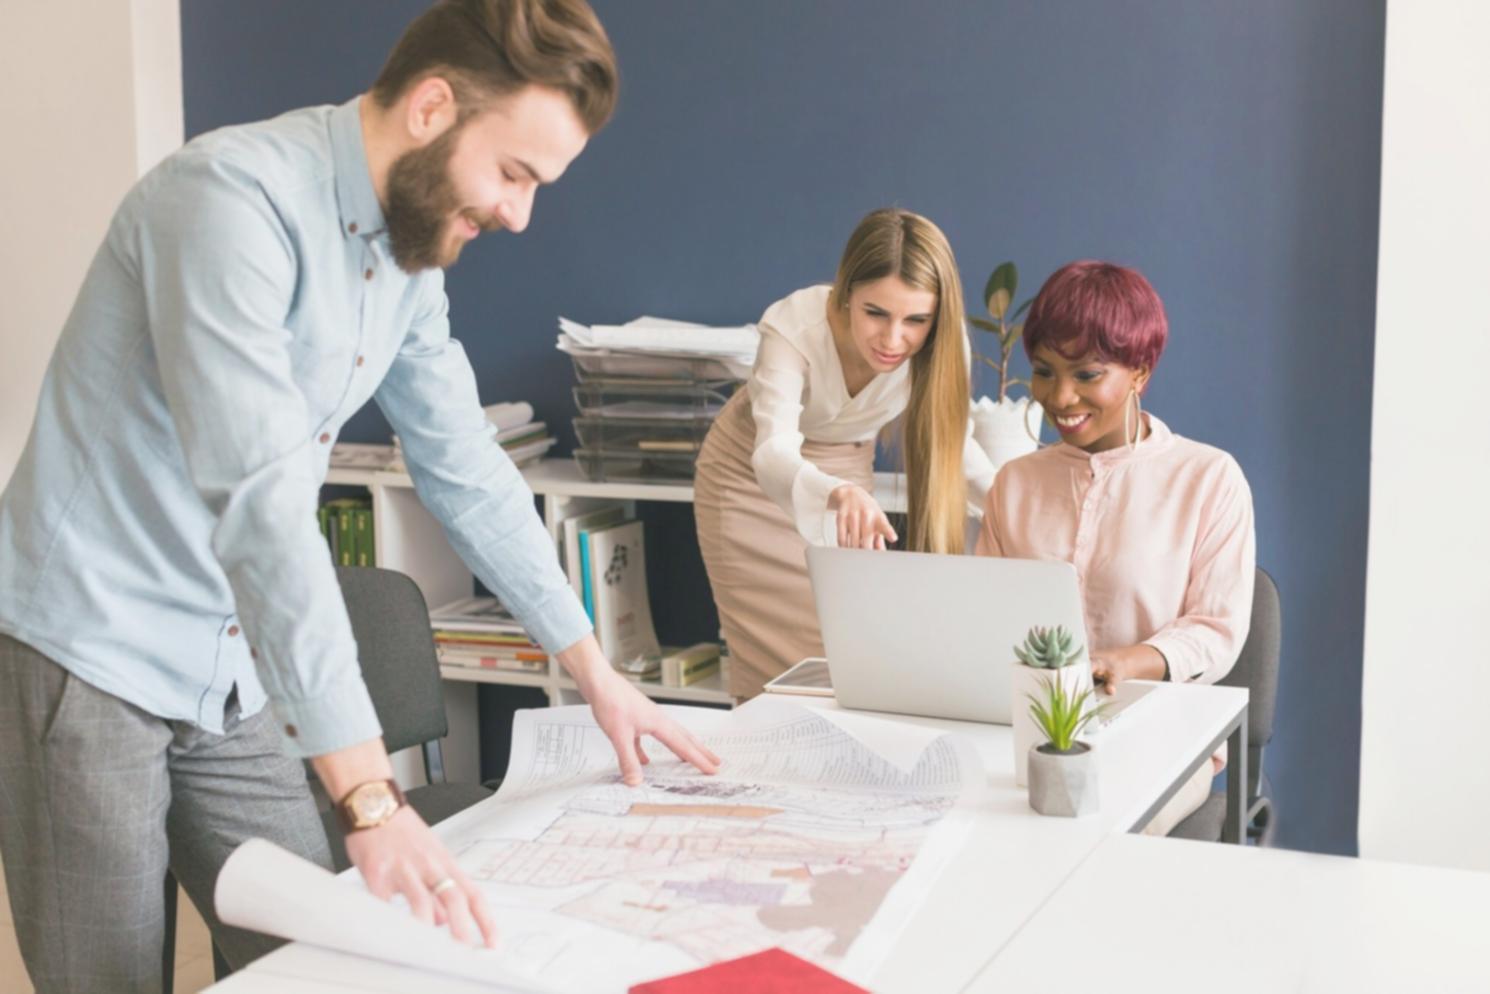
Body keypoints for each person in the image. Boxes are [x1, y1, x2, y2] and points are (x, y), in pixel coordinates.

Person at [0, 1, 720, 989]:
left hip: (232, 660)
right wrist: (373, 797)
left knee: (321, 954)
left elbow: (464, 464)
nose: (519, 213)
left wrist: (593, 670)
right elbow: (258, 510)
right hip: (91, 653)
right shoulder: (226, 204)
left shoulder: (407, 255)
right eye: (514, 173)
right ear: (432, 106)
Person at [975, 260, 1255, 835]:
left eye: (1086, 374)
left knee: (1091, 830)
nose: (1060, 396)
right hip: (1025, 730)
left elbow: (1215, 628)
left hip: (1159, 731)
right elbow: (987, 617)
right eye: (1046, 372)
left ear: (1140, 373)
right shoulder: (1016, 483)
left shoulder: (1207, 478)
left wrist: (1125, 663)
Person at [695, 208, 995, 700]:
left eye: (916, 320)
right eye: (875, 312)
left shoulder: (943, 346)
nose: (894, 339)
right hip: (749, 482)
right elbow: (771, 451)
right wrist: (836, 492)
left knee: (849, 653)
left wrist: (1014, 503)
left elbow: (956, 446)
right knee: (771, 674)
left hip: (848, 475)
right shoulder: (794, 325)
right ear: (846, 292)